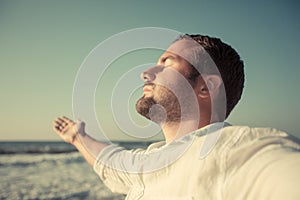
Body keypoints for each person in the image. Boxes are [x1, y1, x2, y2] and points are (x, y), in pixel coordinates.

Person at [53, 34, 300, 199]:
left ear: (205, 87)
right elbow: (112, 162)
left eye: (167, 63)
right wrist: (78, 137)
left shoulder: (238, 151)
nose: (146, 73)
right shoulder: (150, 161)